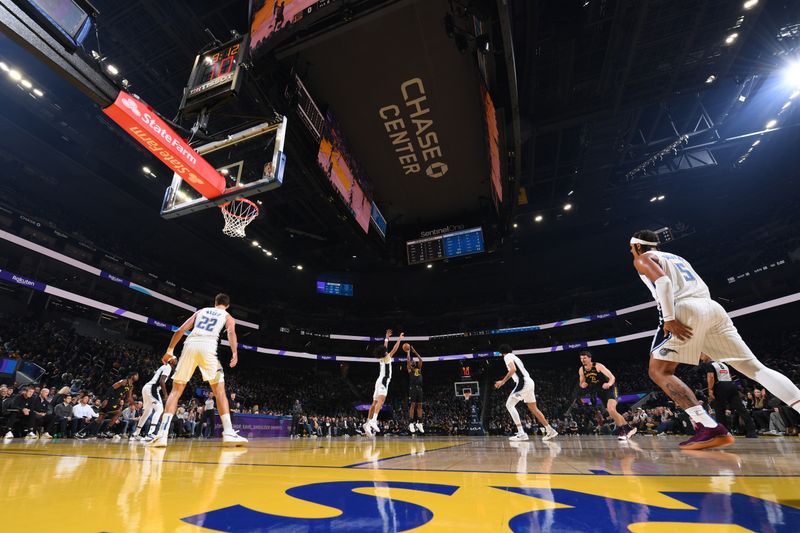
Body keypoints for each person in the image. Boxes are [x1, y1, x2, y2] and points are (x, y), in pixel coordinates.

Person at [630, 229, 800, 450]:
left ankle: (708, 426)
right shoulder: (677, 258)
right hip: (712, 308)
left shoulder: (643, 258)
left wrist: (669, 319)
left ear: (636, 247)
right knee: (755, 368)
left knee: (659, 371)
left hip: (685, 308)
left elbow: (663, 283)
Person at [148, 293, 246, 447]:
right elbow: (231, 333)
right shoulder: (227, 316)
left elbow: (179, 330)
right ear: (227, 305)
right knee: (219, 390)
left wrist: (170, 351)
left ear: (215, 302)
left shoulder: (200, 312)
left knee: (176, 391)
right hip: (208, 346)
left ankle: (162, 434)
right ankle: (228, 432)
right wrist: (235, 352)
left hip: (190, 344)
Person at [494, 344, 557, 441]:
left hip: (523, 382)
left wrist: (502, 381)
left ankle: (521, 433)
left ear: (501, 352)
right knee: (533, 408)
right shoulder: (515, 357)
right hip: (530, 382)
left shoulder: (507, 356)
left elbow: (513, 369)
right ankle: (550, 430)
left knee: (509, 405)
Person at [578, 351, 636, 440]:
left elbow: (612, 377)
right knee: (612, 413)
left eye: (585, 358)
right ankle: (629, 428)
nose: (583, 360)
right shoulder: (581, 370)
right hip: (600, 392)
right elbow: (581, 383)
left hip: (610, 389)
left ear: (590, 358)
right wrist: (583, 385)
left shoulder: (598, 366)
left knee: (611, 409)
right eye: (581, 358)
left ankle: (622, 431)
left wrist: (609, 384)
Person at [700, 354, 757, 438]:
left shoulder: (710, 364)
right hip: (731, 384)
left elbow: (711, 377)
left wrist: (710, 390)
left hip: (720, 386)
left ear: (708, 356)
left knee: (720, 410)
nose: (701, 358)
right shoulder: (723, 364)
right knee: (741, 409)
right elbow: (729, 376)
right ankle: (752, 431)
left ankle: (723, 433)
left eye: (702, 355)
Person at [363, 329, 403, 437]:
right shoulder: (387, 357)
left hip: (378, 380)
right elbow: (395, 348)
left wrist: (387, 337)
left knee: (374, 403)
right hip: (384, 380)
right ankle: (373, 420)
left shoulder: (382, 356)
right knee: (381, 401)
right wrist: (399, 339)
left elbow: (385, 346)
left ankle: (367, 423)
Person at [133, 357, 176, 442]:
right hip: (152, 388)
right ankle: (150, 434)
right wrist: (165, 395)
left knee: (147, 412)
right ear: (171, 361)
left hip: (147, 387)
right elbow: (161, 381)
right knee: (160, 409)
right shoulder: (168, 367)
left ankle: (136, 434)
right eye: (175, 359)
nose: (177, 360)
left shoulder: (164, 366)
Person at [95, 372, 138, 440]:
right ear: (132, 376)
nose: (137, 377)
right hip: (111, 399)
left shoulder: (131, 386)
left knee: (101, 417)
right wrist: (106, 399)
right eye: (136, 375)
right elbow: (111, 388)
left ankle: (94, 432)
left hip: (116, 401)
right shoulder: (123, 381)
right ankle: (105, 430)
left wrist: (134, 404)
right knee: (117, 413)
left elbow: (129, 397)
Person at [405, 343, 425, 434]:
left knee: (420, 406)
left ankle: (419, 423)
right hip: (413, 388)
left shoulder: (419, 369)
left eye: (414, 361)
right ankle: (411, 423)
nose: (413, 362)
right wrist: (408, 352)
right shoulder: (410, 370)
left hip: (420, 388)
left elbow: (421, 359)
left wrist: (415, 351)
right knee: (413, 405)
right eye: (412, 362)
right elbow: (408, 360)